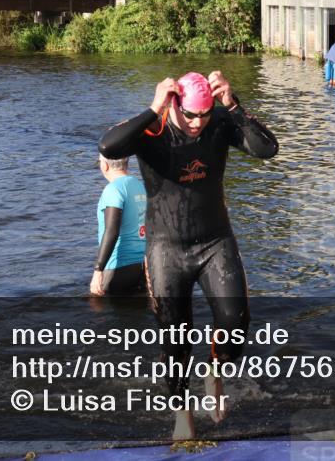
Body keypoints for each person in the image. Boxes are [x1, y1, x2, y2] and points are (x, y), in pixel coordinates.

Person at [99, 71, 278, 440]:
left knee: (235, 319)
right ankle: (182, 411)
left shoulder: (219, 122)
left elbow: (266, 149)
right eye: (191, 115)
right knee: (175, 337)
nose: (198, 124)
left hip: (215, 240)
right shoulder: (154, 128)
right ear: (175, 104)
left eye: (204, 115)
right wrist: (153, 107)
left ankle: (215, 373)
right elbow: (109, 147)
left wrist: (233, 104)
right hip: (167, 248)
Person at [90, 155, 148, 296]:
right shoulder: (140, 185)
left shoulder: (113, 189)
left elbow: (111, 231)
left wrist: (98, 271)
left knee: (98, 310)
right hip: (143, 268)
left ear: (105, 165)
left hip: (118, 267)